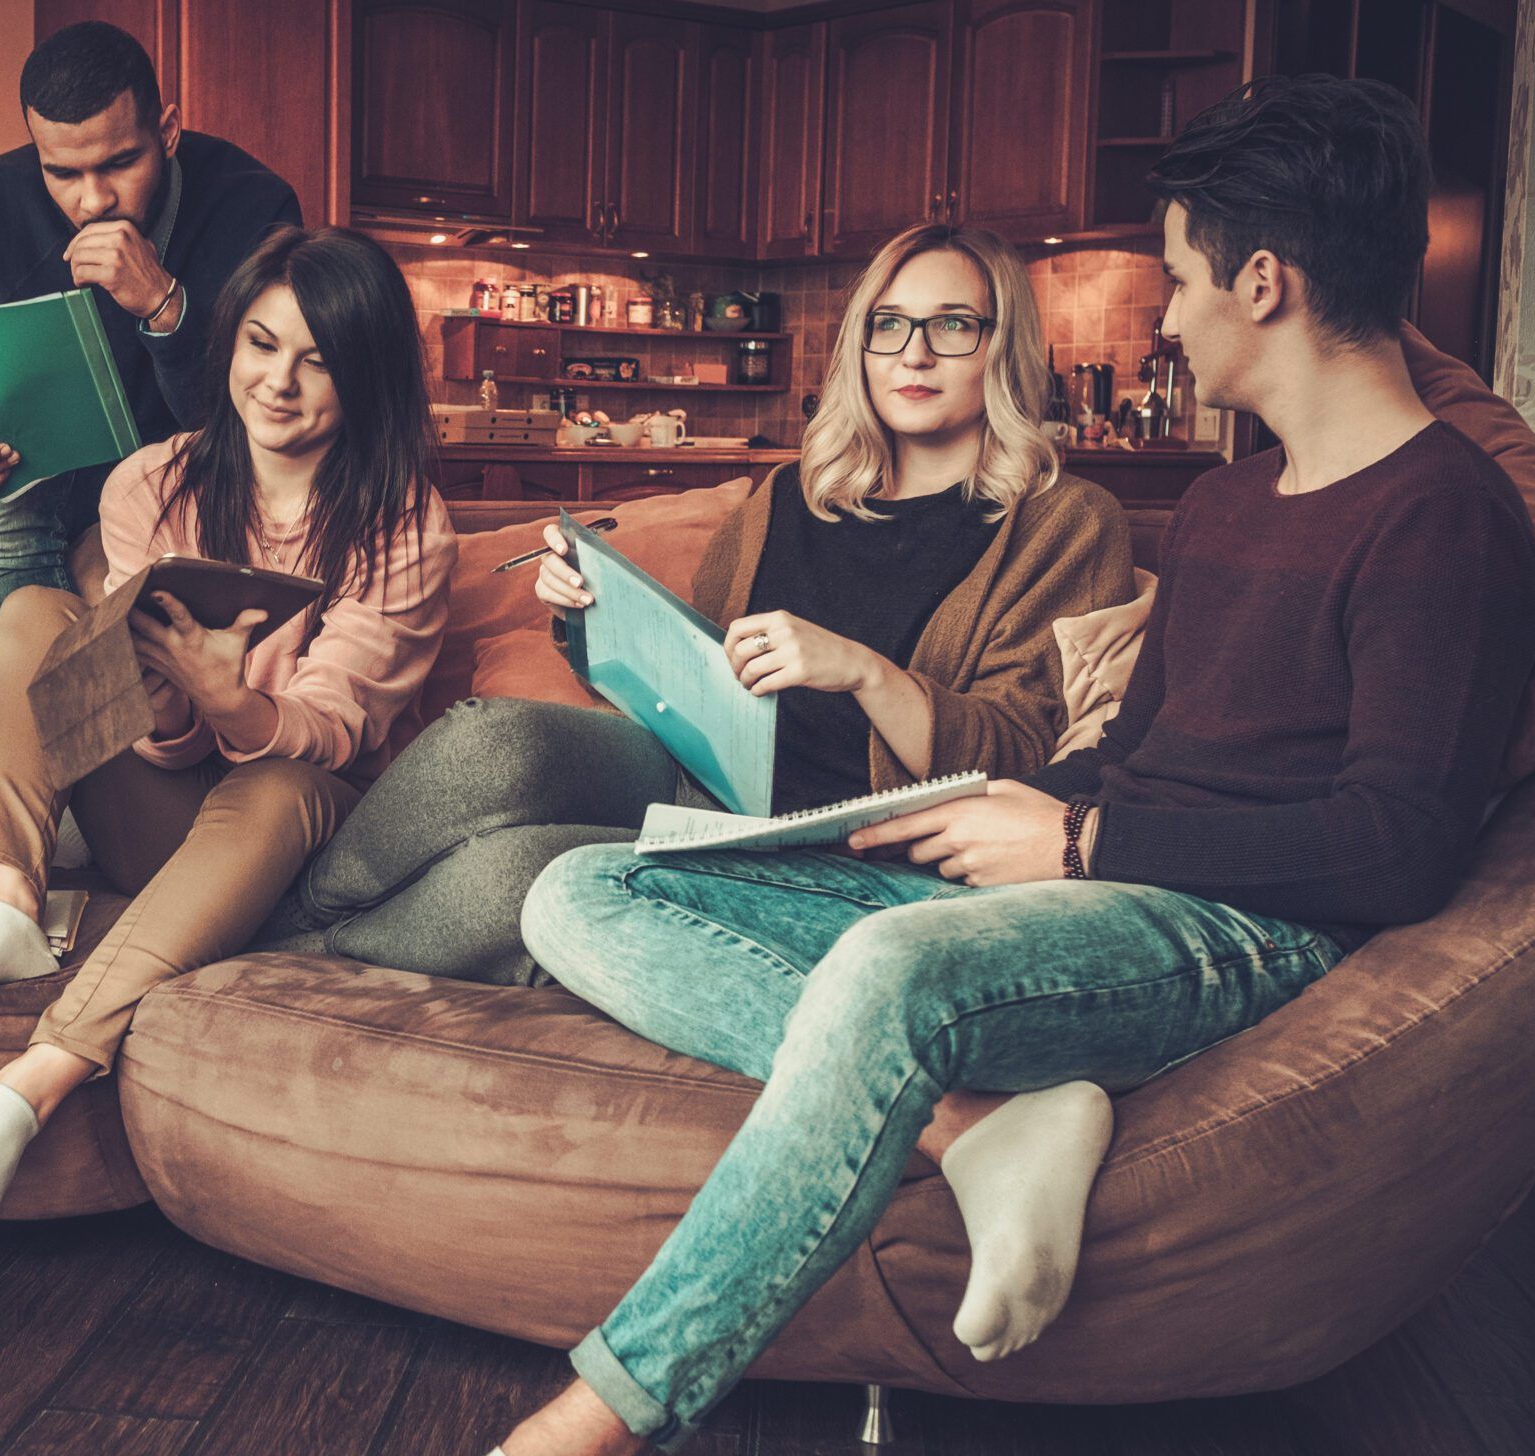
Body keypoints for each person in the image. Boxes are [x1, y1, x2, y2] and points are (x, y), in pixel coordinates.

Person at [492, 76, 1535, 1456]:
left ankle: (599, 1417)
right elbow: (1128, 752)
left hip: (1240, 930)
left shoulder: (1441, 522)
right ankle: (986, 1124)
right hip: (1079, 881)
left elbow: (1395, 847)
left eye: (1176, 280)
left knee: (886, 975)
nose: (1166, 316)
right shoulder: (1235, 499)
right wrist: (1010, 803)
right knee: (581, 889)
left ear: (1267, 283)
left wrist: (1079, 848)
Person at [256, 223, 1136, 986]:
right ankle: (287, 915)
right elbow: (692, 664)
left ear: (1003, 344)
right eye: (889, 325)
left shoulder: (1063, 524)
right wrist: (588, 610)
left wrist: (865, 674)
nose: (913, 353)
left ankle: (294, 950)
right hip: (704, 784)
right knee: (493, 740)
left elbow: (1019, 757)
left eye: (952, 325)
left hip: (834, 843)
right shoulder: (796, 493)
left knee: (515, 877)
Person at [0, 226, 455, 1244]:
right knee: (31, 613)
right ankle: (8, 900)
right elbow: (145, 726)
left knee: (281, 786)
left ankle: (28, 1087)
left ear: (365, 378)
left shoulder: (407, 526)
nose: (277, 382)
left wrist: (232, 700)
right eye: (259, 343)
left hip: (290, 840)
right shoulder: (152, 483)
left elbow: (327, 731)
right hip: (162, 809)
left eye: (317, 360)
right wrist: (164, 709)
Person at [0, 20, 303, 638]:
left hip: (183, 469)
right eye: (62, 173)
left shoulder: (255, 205)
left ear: (166, 131)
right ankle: (50, 709)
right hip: (36, 473)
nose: (93, 201)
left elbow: (248, 426)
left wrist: (163, 303)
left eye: (120, 162)